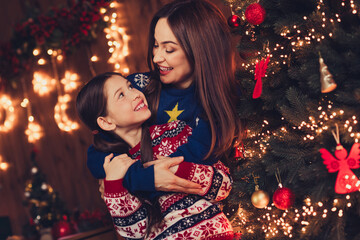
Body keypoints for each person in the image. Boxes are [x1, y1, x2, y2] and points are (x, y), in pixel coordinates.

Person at [87, 0, 241, 199]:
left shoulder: (218, 100)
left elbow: (194, 159)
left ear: (200, 50)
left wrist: (125, 181)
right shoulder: (137, 88)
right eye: (156, 45)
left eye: (169, 49)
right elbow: (97, 155)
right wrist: (139, 179)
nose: (157, 57)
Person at [76, 72, 234, 239]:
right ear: (106, 122)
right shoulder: (116, 167)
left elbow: (224, 185)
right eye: (121, 95)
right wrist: (114, 185)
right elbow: (135, 233)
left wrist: (176, 170)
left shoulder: (174, 132)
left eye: (130, 87)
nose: (136, 93)